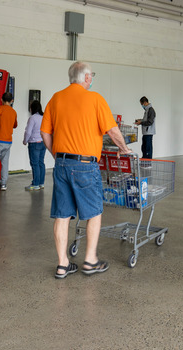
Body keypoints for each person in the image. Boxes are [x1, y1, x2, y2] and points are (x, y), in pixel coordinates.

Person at [41, 61, 132, 279]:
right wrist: (125, 149)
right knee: (94, 212)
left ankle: (63, 264)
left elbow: (45, 133)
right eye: (92, 76)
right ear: (87, 78)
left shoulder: (56, 98)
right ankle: (90, 260)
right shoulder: (95, 99)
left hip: (61, 164)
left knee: (62, 215)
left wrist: (57, 154)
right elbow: (112, 130)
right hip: (84, 165)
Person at [23, 99, 46, 191]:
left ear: (32, 108)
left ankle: (35, 184)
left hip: (34, 143)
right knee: (41, 163)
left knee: (35, 164)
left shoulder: (32, 118)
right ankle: (41, 183)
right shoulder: (44, 117)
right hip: (43, 143)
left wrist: (25, 141)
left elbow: (28, 132)